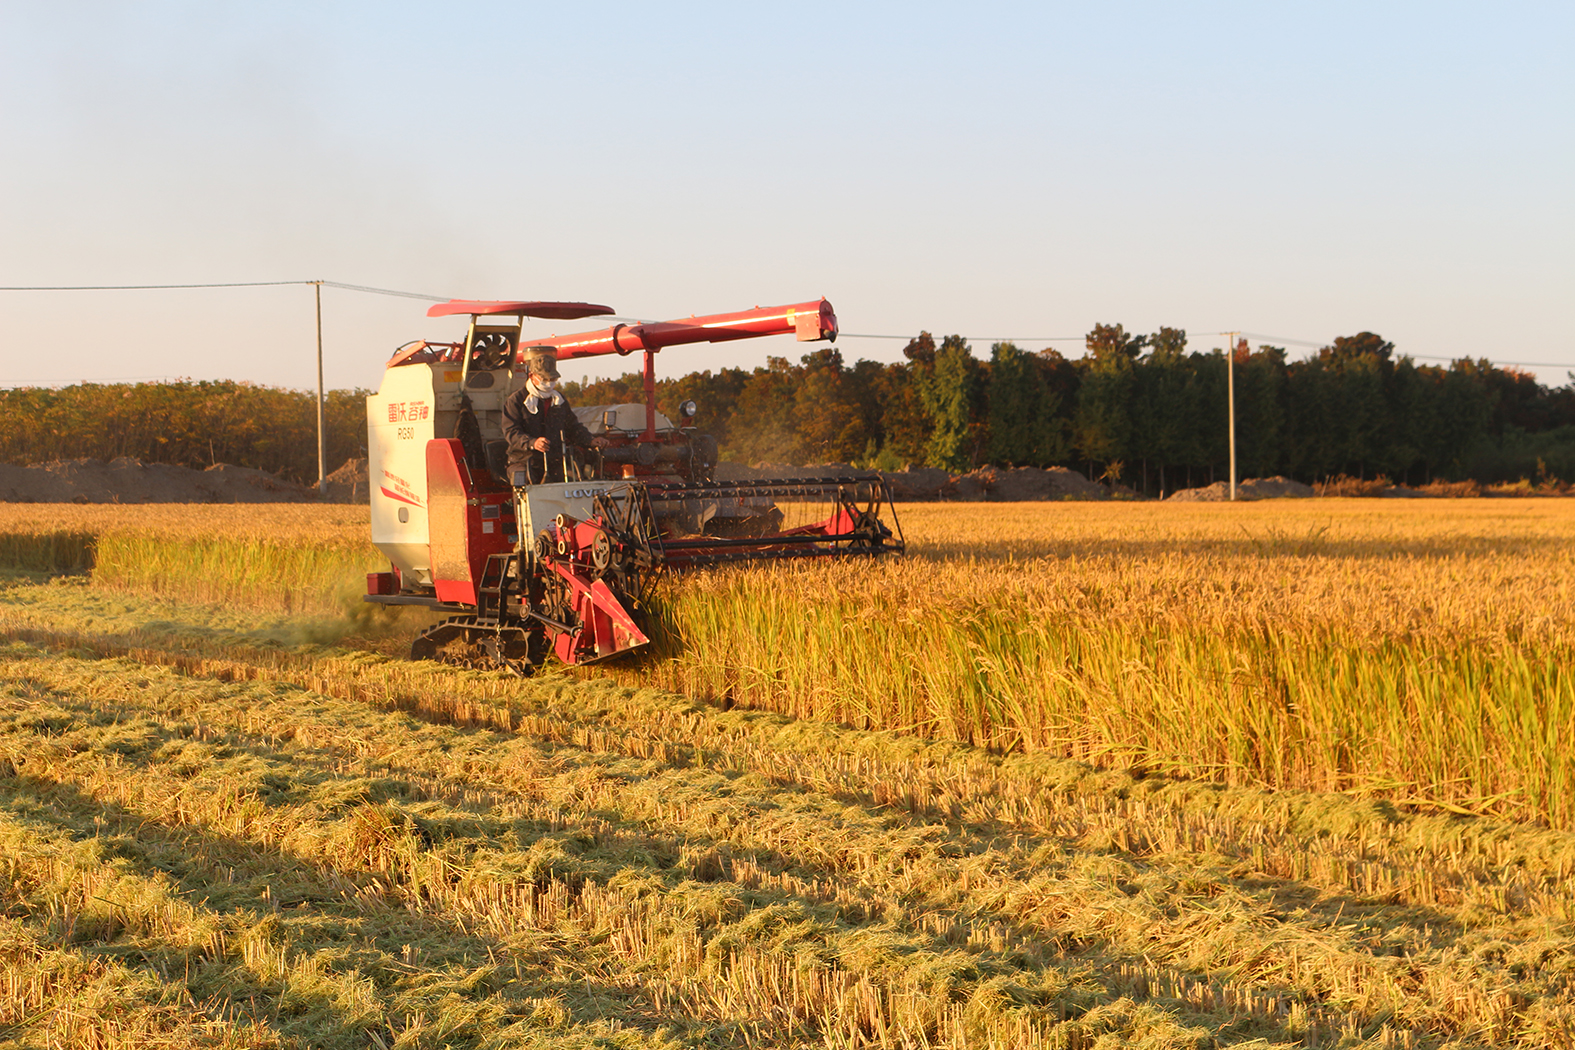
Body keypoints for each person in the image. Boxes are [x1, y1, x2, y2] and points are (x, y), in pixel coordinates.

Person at [502, 347, 610, 484]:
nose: (549, 382)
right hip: (524, 460)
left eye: (552, 378)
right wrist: (532, 443)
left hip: (556, 461)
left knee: (575, 479)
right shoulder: (516, 400)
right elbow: (511, 432)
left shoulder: (559, 400)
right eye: (545, 378)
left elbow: (572, 427)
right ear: (532, 376)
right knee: (525, 481)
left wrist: (590, 440)